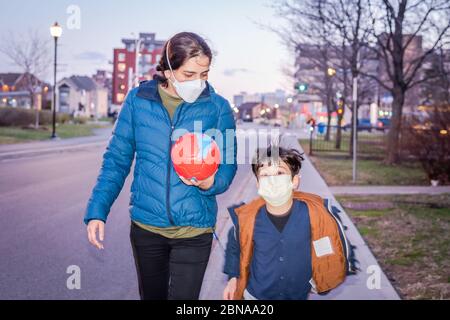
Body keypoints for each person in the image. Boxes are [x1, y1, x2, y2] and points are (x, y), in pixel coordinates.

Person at [84, 32, 237, 300]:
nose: (199, 82)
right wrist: (98, 209)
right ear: (167, 70)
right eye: (190, 75)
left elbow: (228, 164)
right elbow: (117, 160)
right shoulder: (137, 101)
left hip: (194, 230)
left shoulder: (218, 107)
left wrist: (212, 182)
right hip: (147, 229)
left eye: (205, 74)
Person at [223, 146, 356, 300]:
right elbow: (235, 248)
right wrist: (233, 278)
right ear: (258, 184)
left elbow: (336, 246)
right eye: (265, 175)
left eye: (280, 173)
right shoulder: (247, 219)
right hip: (256, 295)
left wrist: (320, 279)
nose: (272, 180)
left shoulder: (316, 215)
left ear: (294, 181)